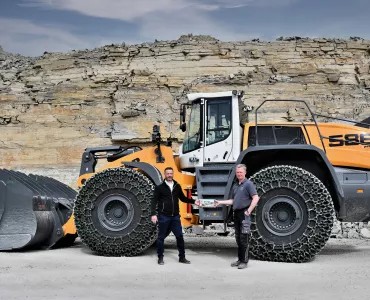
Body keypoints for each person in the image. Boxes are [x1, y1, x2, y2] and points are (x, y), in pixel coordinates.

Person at [151, 167, 200, 265]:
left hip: (175, 217)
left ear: (173, 174)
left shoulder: (177, 186)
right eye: (167, 173)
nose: (169, 175)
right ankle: (160, 257)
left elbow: (183, 198)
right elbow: (153, 202)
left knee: (180, 237)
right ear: (165, 174)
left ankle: (182, 257)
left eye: (171, 173)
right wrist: (153, 214)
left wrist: (194, 201)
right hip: (164, 216)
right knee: (161, 238)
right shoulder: (159, 187)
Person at [215, 164, 259, 269]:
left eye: (241, 172)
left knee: (244, 238)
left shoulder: (248, 184)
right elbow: (232, 201)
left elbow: (256, 197)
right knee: (238, 238)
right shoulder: (235, 186)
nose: (239, 174)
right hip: (237, 214)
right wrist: (220, 202)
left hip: (244, 214)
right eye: (237, 172)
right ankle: (240, 260)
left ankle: (244, 261)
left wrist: (249, 211)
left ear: (245, 173)